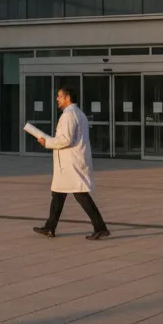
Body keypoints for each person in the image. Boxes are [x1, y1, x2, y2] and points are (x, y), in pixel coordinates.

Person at [33, 85, 110, 240]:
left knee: (80, 194)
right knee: (58, 194)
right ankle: (50, 227)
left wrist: (46, 142)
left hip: (71, 164)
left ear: (67, 97)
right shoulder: (79, 114)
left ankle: (100, 227)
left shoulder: (69, 115)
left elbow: (65, 140)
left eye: (59, 96)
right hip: (69, 163)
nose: (57, 99)